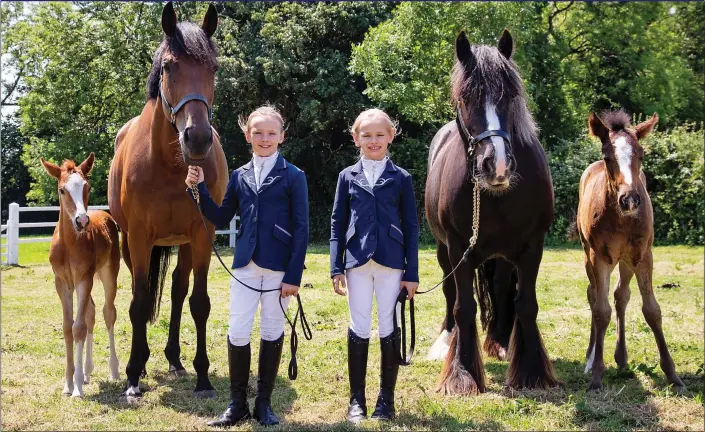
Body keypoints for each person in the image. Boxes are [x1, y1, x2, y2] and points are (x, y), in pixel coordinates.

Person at [186, 106, 309, 427]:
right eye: (258, 132)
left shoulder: (294, 176)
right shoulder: (239, 176)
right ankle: (237, 403)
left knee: (271, 329)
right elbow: (221, 217)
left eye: (271, 133)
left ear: (282, 136)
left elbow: (302, 229)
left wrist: (293, 276)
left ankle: (264, 404)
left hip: (280, 268)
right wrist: (198, 189)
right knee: (238, 330)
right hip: (245, 265)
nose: (264, 138)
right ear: (247, 136)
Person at [329, 108, 419, 423]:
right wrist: (335, 266)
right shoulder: (346, 176)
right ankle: (356, 402)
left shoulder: (402, 178)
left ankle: (386, 400)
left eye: (380, 134)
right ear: (356, 139)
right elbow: (337, 222)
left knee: (388, 325)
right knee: (359, 325)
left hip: (391, 262)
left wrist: (412, 273)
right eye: (366, 135)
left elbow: (411, 226)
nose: (373, 140)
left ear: (390, 137)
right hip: (356, 262)